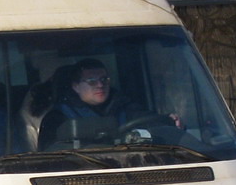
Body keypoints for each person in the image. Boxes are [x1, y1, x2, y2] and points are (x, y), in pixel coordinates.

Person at [37, 58, 181, 150]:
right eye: (91, 81)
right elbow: (49, 157)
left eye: (104, 79)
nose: (100, 85)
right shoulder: (57, 117)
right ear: (76, 86)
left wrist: (168, 121)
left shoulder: (124, 106)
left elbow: (151, 122)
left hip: (131, 166)